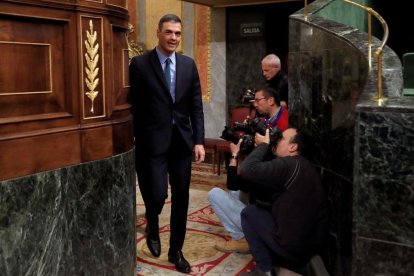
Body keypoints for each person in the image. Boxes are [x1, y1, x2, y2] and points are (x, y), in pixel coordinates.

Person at [128, 14, 205, 274]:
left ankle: (176, 250)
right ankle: (152, 221)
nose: (174, 37)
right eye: (169, 32)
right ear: (158, 34)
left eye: (178, 33)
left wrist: (199, 141)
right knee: (158, 195)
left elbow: (196, 106)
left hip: (182, 143)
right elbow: (135, 107)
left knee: (181, 198)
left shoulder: (188, 64)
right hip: (153, 143)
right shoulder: (140, 64)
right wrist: (138, 139)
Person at [237, 128, 329, 276]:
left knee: (249, 213)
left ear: (293, 147)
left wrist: (263, 145)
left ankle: (265, 271)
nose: (277, 141)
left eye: (281, 139)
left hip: (293, 248)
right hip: (309, 247)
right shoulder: (303, 166)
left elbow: (247, 171)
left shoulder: (289, 164)